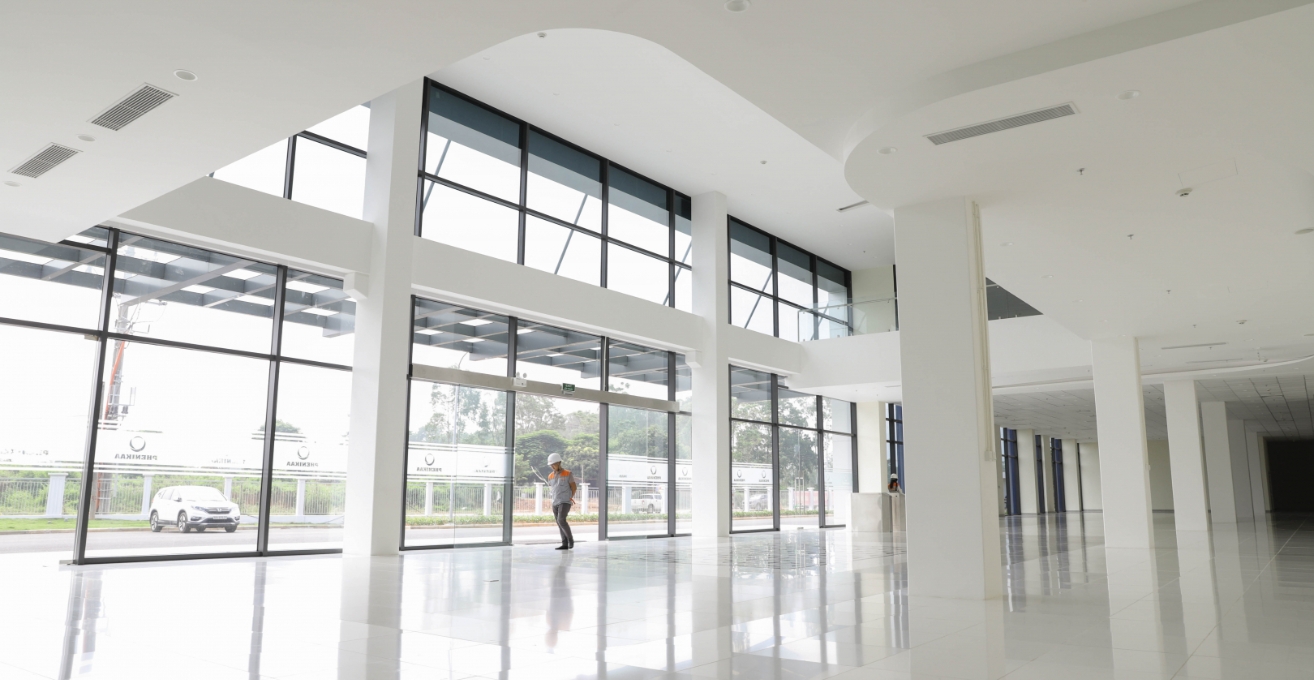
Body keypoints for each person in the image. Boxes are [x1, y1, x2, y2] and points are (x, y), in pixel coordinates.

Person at [546, 452, 576, 550]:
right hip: (555, 502)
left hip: (565, 501)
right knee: (559, 523)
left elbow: (574, 487)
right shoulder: (550, 476)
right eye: (551, 465)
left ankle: (570, 540)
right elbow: (553, 488)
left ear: (559, 463)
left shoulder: (568, 473)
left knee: (561, 520)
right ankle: (564, 543)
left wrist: (570, 496)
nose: (552, 466)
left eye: (554, 464)